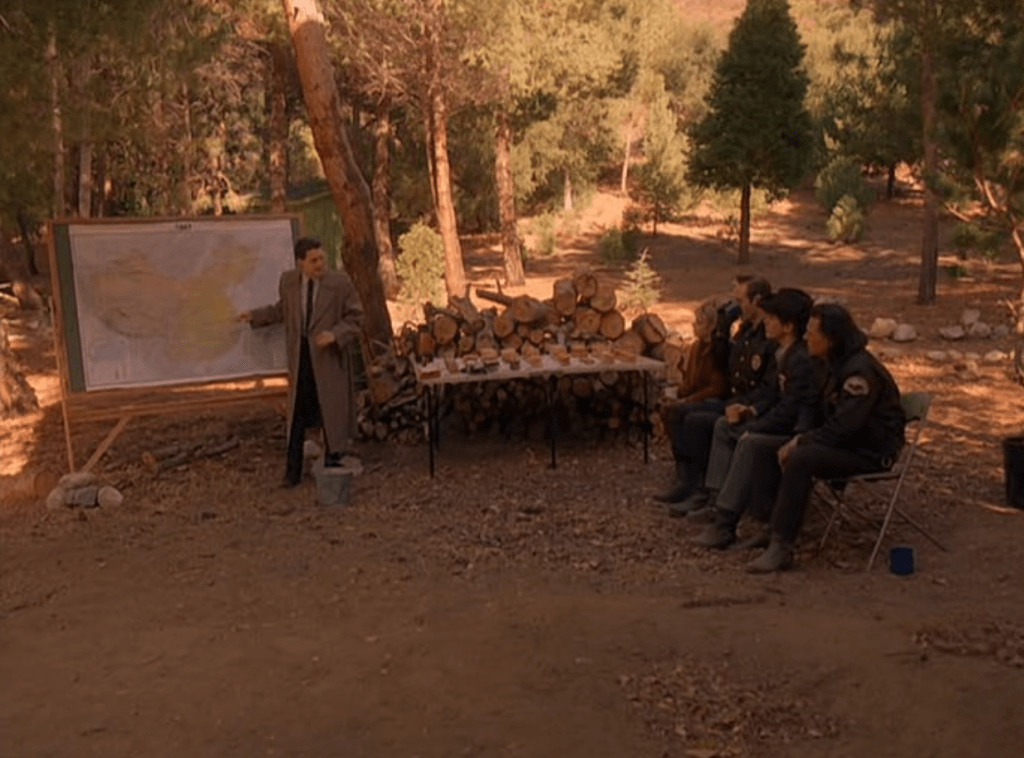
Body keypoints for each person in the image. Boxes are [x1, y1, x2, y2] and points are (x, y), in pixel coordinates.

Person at [745, 303, 905, 573]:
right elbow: (816, 408)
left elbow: (844, 427)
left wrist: (802, 442)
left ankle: (782, 546)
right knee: (761, 445)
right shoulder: (830, 363)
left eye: (811, 332)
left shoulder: (858, 372)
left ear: (830, 338)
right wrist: (799, 434)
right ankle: (771, 526)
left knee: (801, 458)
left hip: (870, 452)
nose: (806, 337)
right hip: (846, 444)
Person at [692, 288, 823, 547]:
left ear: (788, 326)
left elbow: (791, 409)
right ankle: (717, 501)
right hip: (777, 420)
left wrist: (755, 425)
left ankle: (725, 524)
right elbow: (769, 392)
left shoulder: (800, 360)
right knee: (723, 425)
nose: (766, 322)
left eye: (772, 318)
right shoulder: (780, 352)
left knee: (749, 441)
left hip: (795, 431)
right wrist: (748, 410)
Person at [238, 237, 364, 488]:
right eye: (313, 260)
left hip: (329, 358)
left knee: (330, 410)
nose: (320, 264)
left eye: (322, 258)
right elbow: (282, 310)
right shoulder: (288, 282)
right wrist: (254, 316)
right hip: (301, 357)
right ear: (300, 263)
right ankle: (292, 472)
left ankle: (332, 462)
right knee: (296, 415)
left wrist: (335, 335)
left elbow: (356, 317)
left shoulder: (340, 283)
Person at [657, 275, 774, 506]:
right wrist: (723, 328)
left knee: (695, 419)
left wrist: (747, 408)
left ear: (757, 300)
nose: (738, 308)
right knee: (681, 414)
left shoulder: (768, 336)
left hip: (748, 404)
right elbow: (725, 362)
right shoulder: (746, 332)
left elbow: (756, 385)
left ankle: (702, 488)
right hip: (736, 399)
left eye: (741, 301)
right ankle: (687, 481)